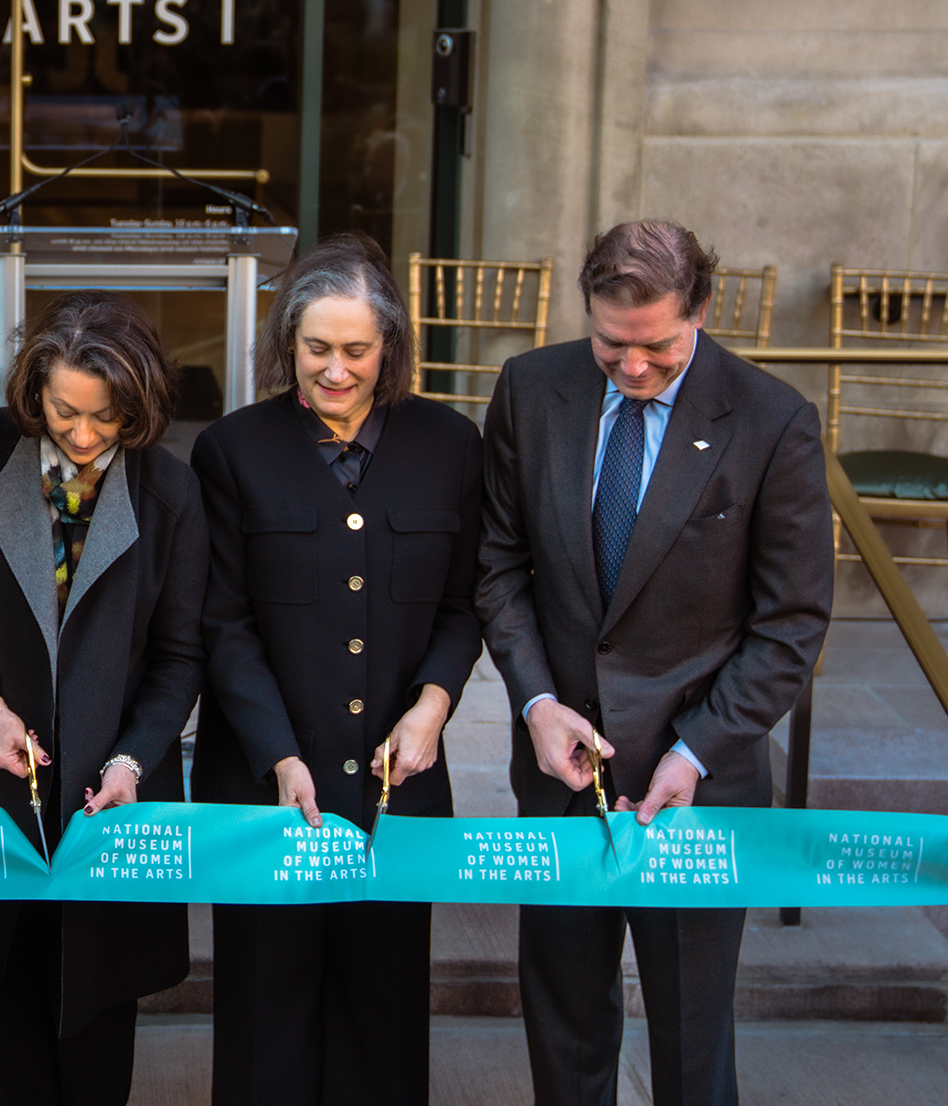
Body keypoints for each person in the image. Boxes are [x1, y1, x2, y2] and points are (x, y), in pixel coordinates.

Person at [477, 219, 830, 1106]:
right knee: (563, 1030)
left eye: (657, 347)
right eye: (610, 343)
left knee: (692, 1041)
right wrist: (536, 703)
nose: (631, 367)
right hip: (561, 771)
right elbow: (498, 565)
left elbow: (791, 623)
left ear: (701, 310)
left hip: (698, 781)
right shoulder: (529, 387)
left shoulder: (772, 418)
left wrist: (696, 748)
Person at [190, 231, 484, 1106]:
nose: (336, 370)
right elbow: (224, 624)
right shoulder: (231, 449)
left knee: (383, 1017)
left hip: (401, 791)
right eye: (317, 348)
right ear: (288, 342)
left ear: (389, 345)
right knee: (263, 1020)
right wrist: (281, 754)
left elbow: (467, 604)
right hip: (264, 783)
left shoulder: (452, 444)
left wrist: (434, 703)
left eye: (357, 350)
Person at [0, 292, 206, 1106]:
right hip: (0, 780)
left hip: (112, 791)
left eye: (108, 417)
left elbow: (178, 656)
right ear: (35, 391)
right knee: (10, 999)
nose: (85, 434)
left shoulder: (170, 492)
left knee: (98, 1033)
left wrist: (133, 757)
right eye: (65, 411)